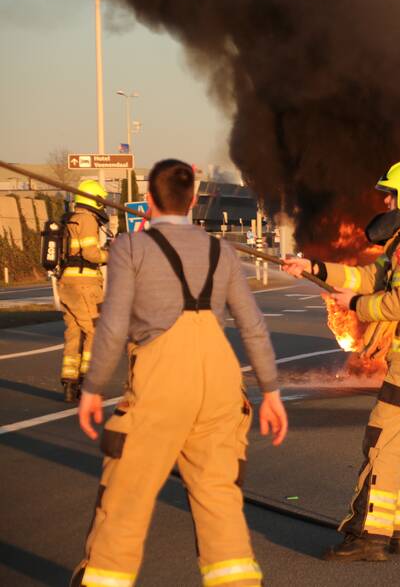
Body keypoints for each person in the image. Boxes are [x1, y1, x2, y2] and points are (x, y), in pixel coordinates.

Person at [73, 159, 288, 587]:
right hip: (222, 383)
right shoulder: (221, 251)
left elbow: (113, 325)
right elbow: (252, 325)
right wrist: (272, 394)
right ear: (193, 201)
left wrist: (93, 388)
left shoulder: (129, 248)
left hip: (161, 379)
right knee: (218, 502)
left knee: (126, 500)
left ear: (149, 201)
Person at [282, 158, 400, 562]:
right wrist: (313, 267)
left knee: (382, 443)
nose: (384, 200)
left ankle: (369, 536)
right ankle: (395, 530)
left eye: (391, 194)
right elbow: (367, 277)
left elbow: (399, 303)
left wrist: (356, 306)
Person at [58, 179, 110, 403]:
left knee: (74, 332)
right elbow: (90, 254)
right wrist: (109, 255)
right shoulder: (87, 219)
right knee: (94, 331)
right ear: (94, 200)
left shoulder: (68, 220)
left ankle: (69, 383)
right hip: (85, 284)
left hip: (66, 284)